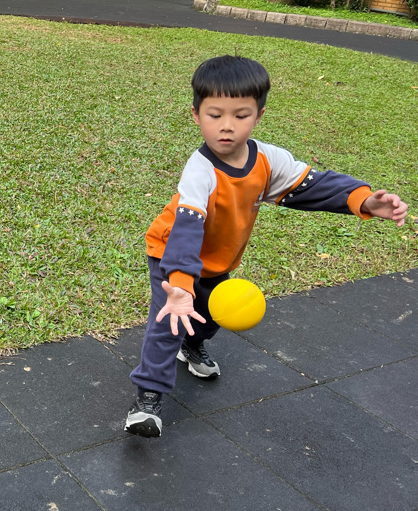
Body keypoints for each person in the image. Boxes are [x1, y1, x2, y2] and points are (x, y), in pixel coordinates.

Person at [124, 55, 408, 438]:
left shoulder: (268, 159)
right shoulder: (199, 170)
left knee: (210, 316)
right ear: (196, 115)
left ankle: (191, 346)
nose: (227, 126)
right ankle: (147, 400)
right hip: (172, 254)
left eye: (240, 115)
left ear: (258, 116)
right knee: (170, 321)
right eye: (214, 115)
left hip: (218, 258)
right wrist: (178, 286)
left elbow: (312, 186)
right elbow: (186, 229)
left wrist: (364, 200)